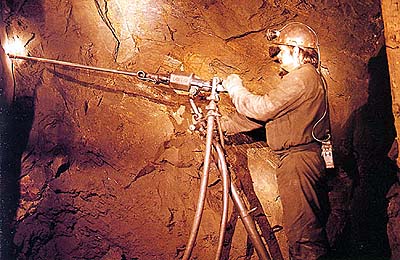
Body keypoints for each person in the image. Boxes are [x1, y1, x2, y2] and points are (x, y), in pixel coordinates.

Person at [221, 22, 331, 260]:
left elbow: (263, 108)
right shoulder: (308, 79)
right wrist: (222, 125)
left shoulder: (301, 78)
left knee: (304, 238)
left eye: (280, 50)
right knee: (303, 233)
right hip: (300, 162)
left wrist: (235, 88)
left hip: (298, 163)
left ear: (298, 49)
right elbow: (265, 118)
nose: (276, 57)